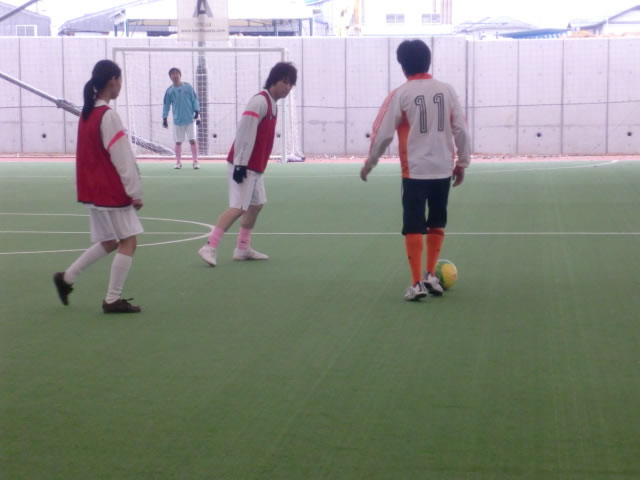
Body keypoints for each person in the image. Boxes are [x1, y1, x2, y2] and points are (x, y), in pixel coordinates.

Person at [360, 39, 471, 301]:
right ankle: (431, 274)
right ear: (428, 61)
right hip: (442, 169)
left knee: (413, 224)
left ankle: (416, 283)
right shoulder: (447, 90)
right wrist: (462, 163)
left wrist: (370, 162)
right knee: (437, 222)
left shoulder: (401, 94)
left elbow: (382, 133)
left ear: (402, 65)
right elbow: (461, 129)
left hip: (415, 171)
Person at [53, 59, 144, 313]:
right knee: (128, 242)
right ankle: (112, 299)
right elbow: (122, 158)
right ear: (113, 80)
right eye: (120, 80)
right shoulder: (108, 115)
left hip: (93, 192)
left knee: (109, 241)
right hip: (111, 191)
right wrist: (135, 192)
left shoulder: (87, 115)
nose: (121, 85)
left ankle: (66, 278)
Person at [197, 62, 298, 267]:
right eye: (284, 82)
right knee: (238, 208)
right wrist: (240, 164)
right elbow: (245, 133)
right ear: (273, 80)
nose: (288, 87)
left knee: (256, 204)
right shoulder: (259, 102)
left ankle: (242, 248)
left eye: (291, 83)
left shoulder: (273, 104)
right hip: (244, 165)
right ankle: (209, 246)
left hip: (256, 166)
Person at [162, 67, 201, 169]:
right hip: (177, 120)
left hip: (190, 119)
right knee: (178, 142)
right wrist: (164, 118)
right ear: (170, 77)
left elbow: (194, 100)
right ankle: (178, 162)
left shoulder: (188, 87)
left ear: (180, 75)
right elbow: (166, 105)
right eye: (172, 74)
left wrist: (197, 111)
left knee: (193, 140)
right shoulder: (169, 91)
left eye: (176, 73)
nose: (175, 75)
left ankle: (195, 162)